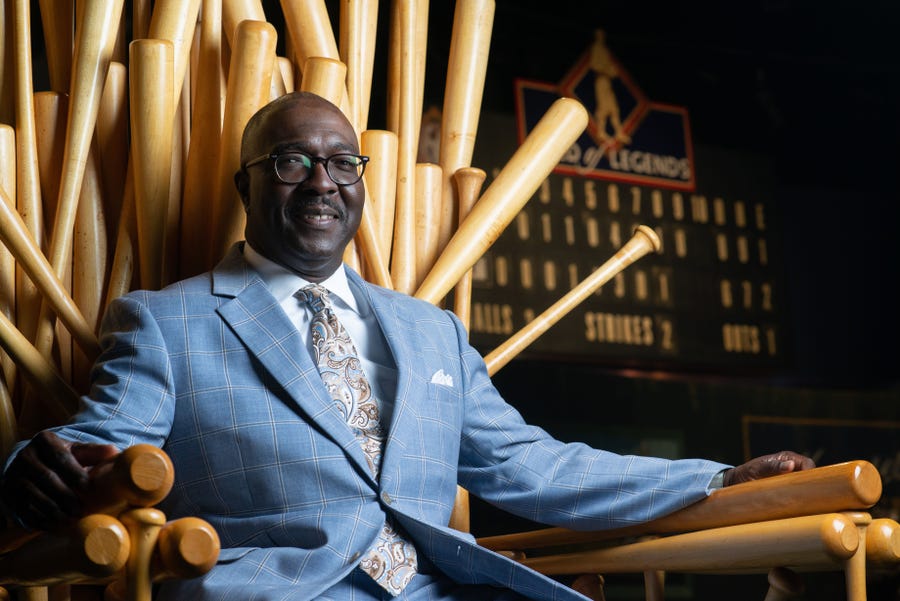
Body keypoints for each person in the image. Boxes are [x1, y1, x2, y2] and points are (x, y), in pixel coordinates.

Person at [0, 92, 814, 601]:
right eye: (291, 161)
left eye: (342, 162)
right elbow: (96, 446)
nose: (322, 181)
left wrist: (713, 478)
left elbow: (534, 465)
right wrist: (36, 465)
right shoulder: (166, 322)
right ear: (247, 185)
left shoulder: (431, 328)